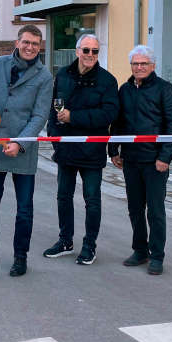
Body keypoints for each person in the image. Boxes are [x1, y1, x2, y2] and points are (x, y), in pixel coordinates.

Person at [0, 24, 53, 280]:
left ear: (40, 47)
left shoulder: (44, 76)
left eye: (35, 44)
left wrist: (20, 142)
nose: (29, 47)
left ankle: (20, 258)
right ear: (18, 42)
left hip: (23, 151)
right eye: (26, 42)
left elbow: (40, 116)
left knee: (24, 209)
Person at [43, 34, 119, 265]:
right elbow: (53, 108)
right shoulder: (63, 75)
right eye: (86, 50)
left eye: (95, 51)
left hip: (92, 150)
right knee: (63, 197)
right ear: (77, 51)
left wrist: (73, 117)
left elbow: (109, 114)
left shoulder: (107, 80)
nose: (90, 56)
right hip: (66, 149)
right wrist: (55, 138)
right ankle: (65, 241)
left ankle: (89, 246)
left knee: (92, 200)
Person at [108, 45, 172, 276]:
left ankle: (157, 256)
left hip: (154, 162)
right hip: (131, 160)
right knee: (135, 209)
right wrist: (113, 150)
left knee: (156, 211)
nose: (139, 67)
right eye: (135, 64)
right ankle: (140, 250)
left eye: (143, 64)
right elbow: (118, 123)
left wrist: (165, 157)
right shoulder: (125, 89)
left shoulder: (165, 90)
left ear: (153, 66)